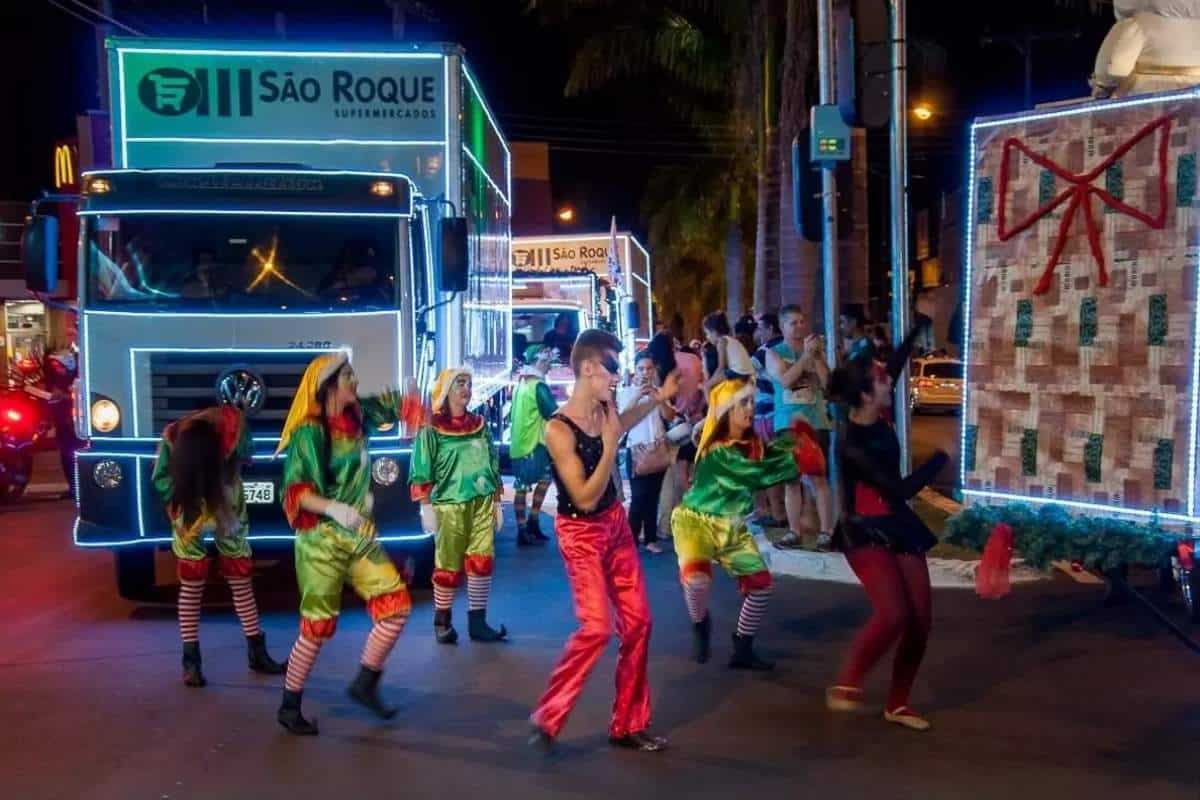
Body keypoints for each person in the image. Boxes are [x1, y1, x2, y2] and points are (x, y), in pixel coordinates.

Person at [529, 329, 678, 754]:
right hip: (581, 533)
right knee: (596, 627)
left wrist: (657, 397)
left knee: (639, 623)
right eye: (612, 368)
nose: (618, 376)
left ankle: (628, 723)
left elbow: (621, 422)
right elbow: (584, 496)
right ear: (589, 369)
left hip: (614, 524)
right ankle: (548, 715)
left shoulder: (606, 407)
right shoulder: (558, 429)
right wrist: (612, 445)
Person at [275, 353, 419, 735]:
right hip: (320, 541)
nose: (356, 381)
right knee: (316, 627)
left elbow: (399, 405)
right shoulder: (309, 432)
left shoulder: (358, 415)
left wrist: (418, 399)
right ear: (328, 387)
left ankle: (365, 683)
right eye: (349, 376)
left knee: (396, 607)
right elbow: (296, 491)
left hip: (360, 535)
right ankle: (290, 705)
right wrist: (335, 508)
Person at [826, 294, 947, 732]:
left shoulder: (874, 402)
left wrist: (919, 323)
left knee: (921, 621)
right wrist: (938, 462)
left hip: (895, 522)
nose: (889, 380)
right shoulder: (853, 443)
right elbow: (897, 487)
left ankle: (898, 703)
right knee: (893, 614)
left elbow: (895, 359)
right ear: (865, 392)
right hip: (863, 529)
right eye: (880, 379)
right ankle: (848, 683)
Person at [673, 378, 823, 670]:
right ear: (727, 409)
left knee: (761, 586)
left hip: (732, 525)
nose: (751, 407)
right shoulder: (718, 451)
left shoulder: (751, 443)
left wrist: (797, 438)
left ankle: (742, 648)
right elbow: (753, 475)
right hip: (696, 523)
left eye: (752, 401)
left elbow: (768, 455)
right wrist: (800, 457)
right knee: (697, 580)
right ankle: (700, 623)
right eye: (743, 402)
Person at [151, 405, 286, 687]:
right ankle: (192, 663)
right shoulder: (174, 439)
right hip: (189, 502)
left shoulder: (232, 430)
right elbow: (162, 481)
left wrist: (220, 493)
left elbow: (245, 458)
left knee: (238, 576)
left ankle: (254, 653)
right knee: (193, 581)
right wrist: (183, 504)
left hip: (226, 499)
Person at [410, 367, 507, 644]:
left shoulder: (479, 423)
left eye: (468, 383)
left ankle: (478, 622)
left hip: (481, 502)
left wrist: (497, 501)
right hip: (450, 505)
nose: (466, 388)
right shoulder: (431, 427)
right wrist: (425, 505)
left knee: (481, 560)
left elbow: (492, 462)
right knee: (448, 564)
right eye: (459, 383)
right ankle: (442, 622)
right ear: (446, 390)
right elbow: (422, 465)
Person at [767, 305, 834, 550]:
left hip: (816, 422)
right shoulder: (774, 353)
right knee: (791, 481)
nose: (799, 327)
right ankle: (794, 531)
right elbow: (785, 381)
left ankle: (826, 532)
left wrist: (816, 359)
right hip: (788, 424)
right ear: (782, 326)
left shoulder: (816, 353)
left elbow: (828, 384)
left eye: (801, 321)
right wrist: (806, 358)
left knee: (819, 478)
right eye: (793, 323)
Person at [617, 350, 678, 555]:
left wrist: (657, 398)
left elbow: (669, 415)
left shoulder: (659, 391)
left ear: (655, 370)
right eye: (641, 368)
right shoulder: (626, 391)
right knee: (639, 497)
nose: (645, 372)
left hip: (658, 448)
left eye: (649, 368)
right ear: (635, 370)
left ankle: (650, 539)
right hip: (637, 450)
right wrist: (638, 394)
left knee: (653, 496)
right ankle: (631, 540)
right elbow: (622, 417)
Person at [509, 344, 557, 546]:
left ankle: (528, 525)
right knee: (540, 481)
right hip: (534, 444)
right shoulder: (538, 385)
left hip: (520, 442)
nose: (550, 366)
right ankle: (528, 525)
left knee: (525, 485)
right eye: (547, 362)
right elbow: (551, 412)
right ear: (539, 361)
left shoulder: (523, 383)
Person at [751, 313, 786, 528]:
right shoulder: (788, 349)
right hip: (784, 413)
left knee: (768, 465)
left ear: (771, 329)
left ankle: (777, 513)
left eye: (761, 328)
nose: (758, 333)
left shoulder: (765, 351)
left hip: (766, 416)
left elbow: (743, 373)